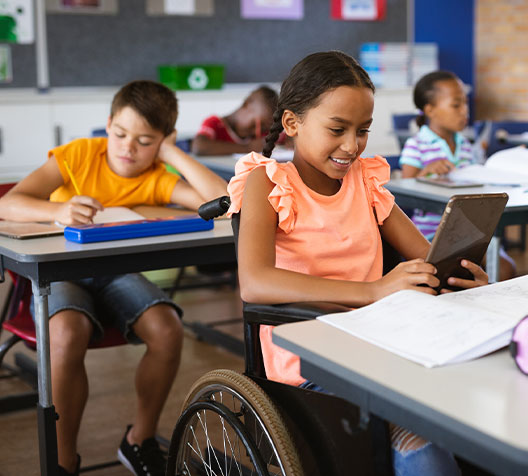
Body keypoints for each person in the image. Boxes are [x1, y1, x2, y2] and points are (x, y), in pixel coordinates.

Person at [227, 51, 489, 476]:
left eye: (363, 130)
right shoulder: (268, 181)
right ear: (292, 123)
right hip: (310, 358)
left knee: (479, 408)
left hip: (379, 342)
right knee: (427, 446)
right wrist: (372, 291)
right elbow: (255, 283)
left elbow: (428, 258)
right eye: (337, 129)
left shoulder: (365, 180)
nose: (352, 145)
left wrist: (458, 275)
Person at [0, 80, 228, 476]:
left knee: (168, 329)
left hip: (116, 274)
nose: (128, 148)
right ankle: (64, 461)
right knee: (66, 333)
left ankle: (139, 439)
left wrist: (173, 152)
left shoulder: (156, 175)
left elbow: (224, 202)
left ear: (162, 140)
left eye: (145, 141)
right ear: (108, 124)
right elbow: (8, 203)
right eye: (120, 134)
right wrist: (57, 212)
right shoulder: (79, 155)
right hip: (61, 274)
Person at [399, 70, 515, 279]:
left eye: (465, 104)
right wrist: (426, 171)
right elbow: (405, 189)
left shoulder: (465, 145)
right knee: (453, 273)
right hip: (431, 233)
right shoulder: (417, 144)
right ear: (430, 110)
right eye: (456, 105)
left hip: (469, 230)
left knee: (506, 268)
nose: (464, 111)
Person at [192, 85, 286, 156]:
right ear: (246, 105)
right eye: (254, 124)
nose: (257, 133)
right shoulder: (214, 123)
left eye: (263, 129)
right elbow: (199, 147)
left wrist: (288, 140)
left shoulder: (261, 133)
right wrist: (248, 148)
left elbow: (283, 136)